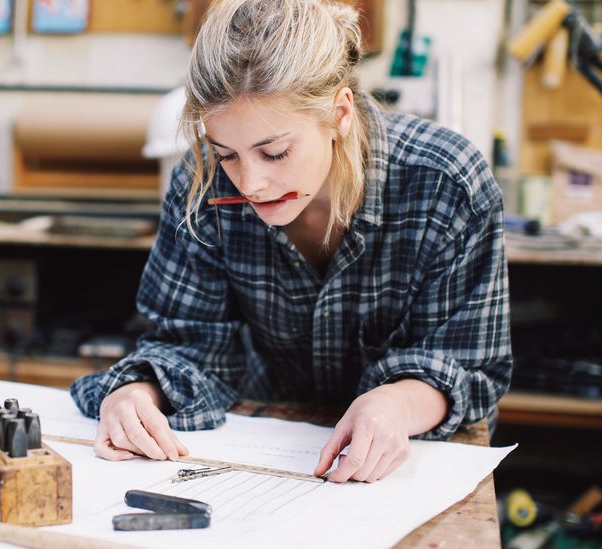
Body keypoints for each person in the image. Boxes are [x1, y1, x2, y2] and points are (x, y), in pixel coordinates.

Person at [70, 0, 512, 484]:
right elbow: (190, 343)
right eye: (228, 154)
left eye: (275, 152)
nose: (251, 183)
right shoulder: (202, 183)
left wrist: (393, 405)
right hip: (269, 456)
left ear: (340, 113)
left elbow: (469, 365)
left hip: (418, 467)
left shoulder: (445, 186)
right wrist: (137, 391)